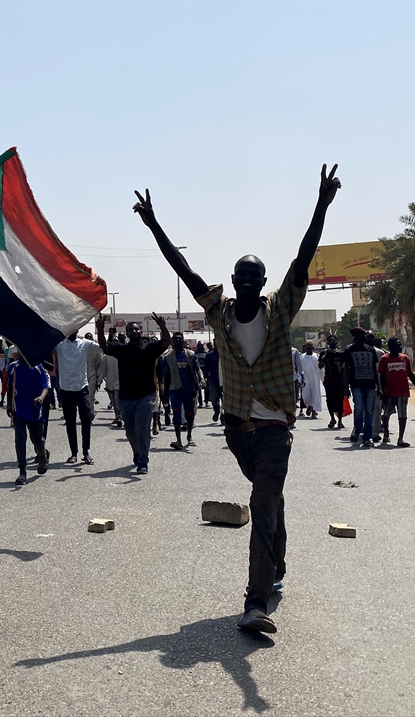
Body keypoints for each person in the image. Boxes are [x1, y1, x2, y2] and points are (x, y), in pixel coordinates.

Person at [135, 161, 340, 636]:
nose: (247, 286)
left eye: (255, 280)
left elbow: (303, 258)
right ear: (233, 280)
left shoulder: (280, 309)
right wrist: (154, 226)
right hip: (236, 432)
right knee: (271, 502)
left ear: (263, 284)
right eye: (240, 279)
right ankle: (278, 561)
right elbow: (182, 269)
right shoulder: (218, 312)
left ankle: (255, 602)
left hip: (274, 432)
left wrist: (321, 206)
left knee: (263, 502)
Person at [96, 313, 170, 475]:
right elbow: (104, 346)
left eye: (137, 329)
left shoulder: (150, 347)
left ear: (140, 331)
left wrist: (162, 326)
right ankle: (137, 452)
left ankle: (143, 461)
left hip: (146, 395)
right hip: (126, 397)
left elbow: (166, 342)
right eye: (131, 330)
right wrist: (100, 329)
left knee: (143, 429)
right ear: (127, 333)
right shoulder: (123, 350)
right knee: (130, 431)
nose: (134, 332)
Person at [52, 330, 103, 465]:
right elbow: (45, 345)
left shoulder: (85, 344)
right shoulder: (59, 345)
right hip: (65, 389)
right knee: (70, 423)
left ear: (78, 329)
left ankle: (86, 452)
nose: (72, 330)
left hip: (82, 389)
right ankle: (73, 453)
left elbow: (103, 347)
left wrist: (102, 330)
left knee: (86, 420)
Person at [6, 347, 50, 484]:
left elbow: (45, 386)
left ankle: (42, 455)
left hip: (35, 410)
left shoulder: (38, 367)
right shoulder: (13, 367)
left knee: (37, 439)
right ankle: (22, 472)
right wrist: (9, 404)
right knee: (20, 439)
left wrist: (41, 398)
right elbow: (10, 387)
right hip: (19, 410)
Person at [160, 332, 204, 450]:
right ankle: (178, 440)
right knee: (177, 415)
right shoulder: (167, 357)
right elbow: (167, 376)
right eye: (175, 339)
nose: (178, 340)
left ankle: (189, 436)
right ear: (172, 342)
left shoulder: (190, 355)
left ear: (183, 341)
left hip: (189, 389)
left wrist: (202, 379)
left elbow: (197, 368)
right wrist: (164, 393)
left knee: (190, 414)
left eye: (180, 339)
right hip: (175, 390)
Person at [379, 337, 415, 447]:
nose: (399, 346)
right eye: (397, 344)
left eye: (400, 344)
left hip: (402, 392)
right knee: (386, 414)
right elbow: (382, 377)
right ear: (390, 346)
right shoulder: (384, 359)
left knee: (402, 415)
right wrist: (382, 391)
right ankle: (386, 432)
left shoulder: (404, 358)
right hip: (389, 392)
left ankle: (400, 439)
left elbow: (410, 374)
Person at [344, 327, 381, 447]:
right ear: (356, 336)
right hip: (356, 384)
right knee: (359, 408)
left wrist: (378, 386)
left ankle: (367, 437)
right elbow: (346, 370)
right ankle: (357, 429)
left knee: (369, 411)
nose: (364, 337)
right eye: (362, 335)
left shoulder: (370, 350)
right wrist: (346, 387)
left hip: (370, 384)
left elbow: (374, 369)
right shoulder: (350, 350)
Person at [319, 335, 346, 429]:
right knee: (330, 400)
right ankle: (332, 418)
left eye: (334, 340)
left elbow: (345, 365)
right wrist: (323, 359)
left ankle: (340, 421)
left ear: (337, 342)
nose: (333, 342)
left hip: (339, 380)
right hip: (329, 380)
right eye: (330, 340)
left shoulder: (341, 353)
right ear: (328, 343)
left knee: (340, 400)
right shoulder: (324, 353)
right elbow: (320, 366)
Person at [297, 342, 322, 419]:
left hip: (315, 379)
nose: (309, 348)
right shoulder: (302, 357)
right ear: (305, 348)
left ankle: (314, 412)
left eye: (310, 347)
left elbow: (321, 369)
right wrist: (300, 379)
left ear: (313, 348)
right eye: (307, 347)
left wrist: (323, 379)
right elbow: (299, 369)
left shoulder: (317, 357)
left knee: (315, 395)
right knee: (306, 396)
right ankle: (310, 406)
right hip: (306, 379)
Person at [204, 342, 222, 423]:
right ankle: (216, 411)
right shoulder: (210, 355)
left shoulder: (225, 355)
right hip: (213, 380)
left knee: (225, 400)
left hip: (225, 381)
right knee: (214, 399)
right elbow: (206, 368)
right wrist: (205, 378)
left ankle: (223, 417)